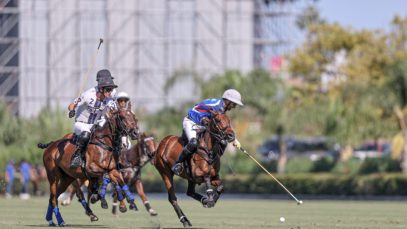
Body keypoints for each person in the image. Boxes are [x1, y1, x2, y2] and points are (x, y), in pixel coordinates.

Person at [171, 89, 244, 175]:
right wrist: (203, 120)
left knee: (223, 142)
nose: (234, 106)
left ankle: (213, 163)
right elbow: (194, 111)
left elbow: (223, 125)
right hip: (191, 122)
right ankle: (178, 164)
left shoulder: (223, 108)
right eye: (234, 104)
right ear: (228, 101)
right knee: (193, 143)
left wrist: (234, 140)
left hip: (202, 125)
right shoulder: (215, 106)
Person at [68, 69, 118, 168]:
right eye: (108, 89)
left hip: (96, 124)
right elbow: (72, 105)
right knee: (86, 134)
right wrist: (71, 111)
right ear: (100, 89)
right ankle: (76, 156)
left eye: (111, 89)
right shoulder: (87, 95)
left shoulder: (111, 96)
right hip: (82, 124)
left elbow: (114, 111)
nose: (110, 92)